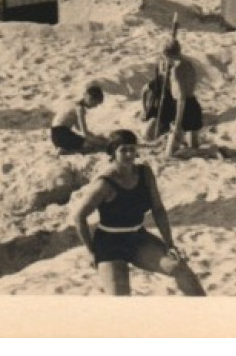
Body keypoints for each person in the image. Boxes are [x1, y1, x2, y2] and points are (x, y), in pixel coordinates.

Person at [70, 130, 206, 297]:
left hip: (138, 238)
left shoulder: (144, 173)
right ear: (113, 152)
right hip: (109, 245)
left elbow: (158, 209)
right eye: (123, 150)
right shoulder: (105, 183)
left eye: (132, 149)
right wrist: (91, 252)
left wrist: (169, 243)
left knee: (180, 269)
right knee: (120, 299)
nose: (129, 154)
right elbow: (79, 216)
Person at [143, 41, 203, 157]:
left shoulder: (176, 70)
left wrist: (178, 121)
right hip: (193, 104)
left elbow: (181, 97)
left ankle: (209, 151)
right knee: (194, 146)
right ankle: (209, 151)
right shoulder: (188, 64)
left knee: (171, 154)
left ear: (166, 55)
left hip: (184, 107)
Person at [51, 83, 107, 154]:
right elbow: (84, 133)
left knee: (84, 140)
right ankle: (68, 150)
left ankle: (63, 147)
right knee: (89, 145)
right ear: (91, 99)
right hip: (62, 133)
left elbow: (78, 128)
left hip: (54, 135)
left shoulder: (73, 103)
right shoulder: (80, 109)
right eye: (95, 104)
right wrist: (101, 142)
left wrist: (93, 136)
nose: (95, 106)